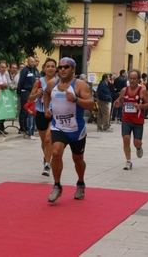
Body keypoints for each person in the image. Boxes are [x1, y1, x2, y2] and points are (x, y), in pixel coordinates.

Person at [43, 57, 94, 203]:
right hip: (58, 126)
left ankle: (80, 183)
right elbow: (46, 93)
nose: (62, 69)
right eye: (61, 67)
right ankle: (57, 186)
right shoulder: (53, 83)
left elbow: (91, 104)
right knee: (56, 153)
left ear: (73, 69)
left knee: (77, 159)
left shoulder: (80, 85)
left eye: (66, 67)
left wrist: (76, 99)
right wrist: (47, 108)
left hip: (76, 129)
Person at [113, 69, 148, 170]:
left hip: (138, 121)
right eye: (130, 78)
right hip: (126, 119)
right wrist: (117, 103)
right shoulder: (124, 90)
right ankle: (128, 161)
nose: (132, 80)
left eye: (134, 78)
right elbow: (120, 100)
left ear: (138, 79)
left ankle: (139, 148)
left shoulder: (142, 91)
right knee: (126, 139)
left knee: (136, 142)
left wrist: (140, 106)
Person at [28, 58, 57, 177]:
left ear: (56, 69)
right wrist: (37, 93)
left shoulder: (59, 82)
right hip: (40, 112)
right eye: (48, 66)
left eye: (52, 66)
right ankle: (46, 157)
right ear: (44, 68)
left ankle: (47, 164)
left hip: (54, 113)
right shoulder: (39, 82)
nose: (50, 68)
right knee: (43, 141)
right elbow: (30, 98)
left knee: (48, 139)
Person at [18, 57, 36, 133]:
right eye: (31, 61)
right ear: (28, 61)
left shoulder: (33, 70)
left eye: (34, 62)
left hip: (30, 92)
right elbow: (21, 81)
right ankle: (22, 126)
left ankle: (27, 125)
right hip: (25, 92)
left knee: (29, 109)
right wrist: (19, 92)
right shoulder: (25, 70)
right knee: (24, 109)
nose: (33, 63)